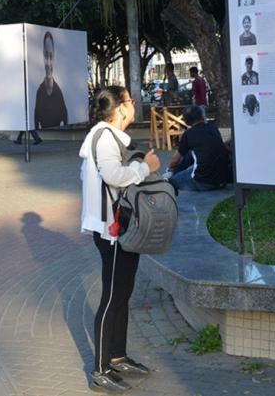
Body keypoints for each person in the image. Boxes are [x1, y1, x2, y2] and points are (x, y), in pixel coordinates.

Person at [79, 86, 161, 393]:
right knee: (112, 297)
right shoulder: (103, 137)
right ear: (119, 108)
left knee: (122, 293)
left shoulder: (109, 136)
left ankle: (118, 356)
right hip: (111, 229)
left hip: (122, 226)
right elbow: (113, 176)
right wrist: (145, 168)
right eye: (129, 100)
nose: (134, 103)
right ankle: (100, 369)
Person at [166, 105, 232, 191]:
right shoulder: (213, 128)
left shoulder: (188, 134)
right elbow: (223, 147)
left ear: (186, 121)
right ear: (201, 115)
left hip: (203, 182)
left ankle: (170, 174)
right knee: (192, 152)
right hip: (222, 180)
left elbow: (175, 160)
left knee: (172, 181)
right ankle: (175, 172)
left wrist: (170, 167)